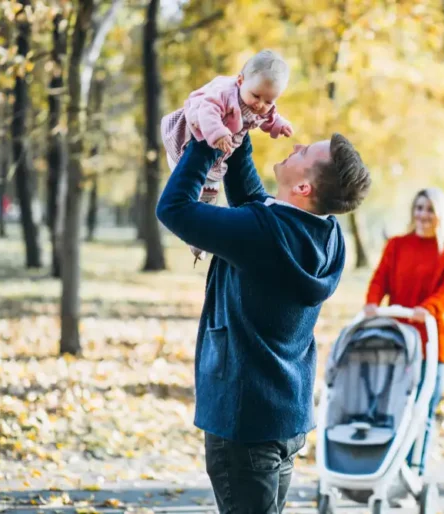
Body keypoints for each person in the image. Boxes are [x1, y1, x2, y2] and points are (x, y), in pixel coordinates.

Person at [155, 131, 371, 513]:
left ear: (303, 186)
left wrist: (207, 139)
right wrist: (236, 130)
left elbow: (174, 209)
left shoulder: (260, 234)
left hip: (243, 422)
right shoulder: (328, 234)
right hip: (284, 414)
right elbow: (255, 203)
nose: (294, 147)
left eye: (303, 152)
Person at [364, 187, 444, 475]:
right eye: (419, 208)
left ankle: (414, 469)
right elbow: (379, 279)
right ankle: (389, 467)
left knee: (422, 409)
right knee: (394, 406)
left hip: (434, 339)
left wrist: (427, 309)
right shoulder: (397, 245)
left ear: (441, 215)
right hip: (399, 340)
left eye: (430, 210)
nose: (423, 215)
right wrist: (372, 304)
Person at [160, 49, 294, 263]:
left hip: (222, 150)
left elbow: (269, 117)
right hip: (194, 135)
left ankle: (198, 239)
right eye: (256, 96)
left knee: (211, 192)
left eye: (268, 100)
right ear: (240, 81)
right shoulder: (224, 93)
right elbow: (207, 111)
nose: (260, 105)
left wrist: (279, 125)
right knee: (192, 186)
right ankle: (194, 232)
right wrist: (219, 133)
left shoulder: (262, 104)